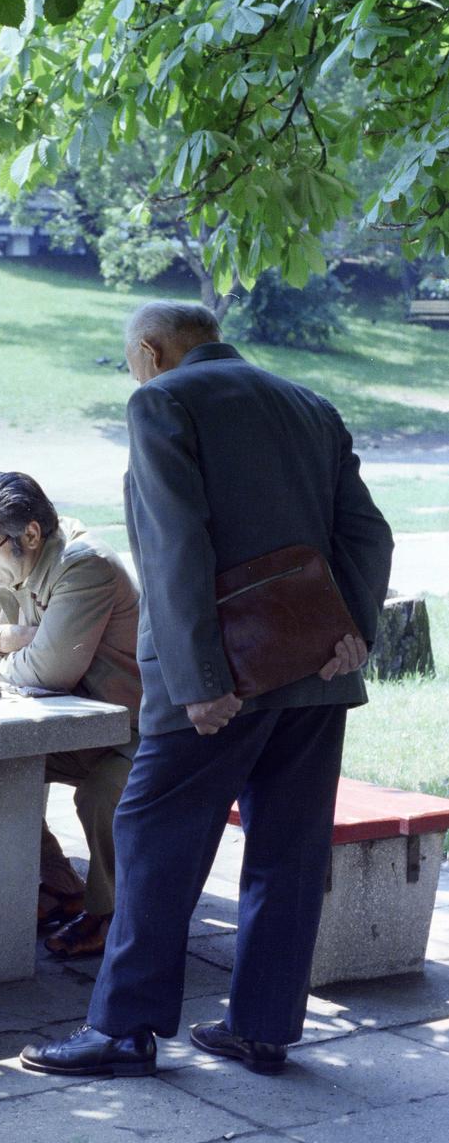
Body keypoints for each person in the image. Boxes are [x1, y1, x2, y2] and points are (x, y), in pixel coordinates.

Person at [20, 301, 393, 1080]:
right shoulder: (309, 403)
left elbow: (173, 543)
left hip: (217, 680)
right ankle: (261, 1029)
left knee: (153, 840)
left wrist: (196, 680)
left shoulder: (162, 401)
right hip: (316, 669)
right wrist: (347, 633)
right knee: (287, 854)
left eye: (130, 360)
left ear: (150, 352)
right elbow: (367, 533)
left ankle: (123, 1031)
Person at [0, 472, 141, 950]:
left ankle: (113, 915)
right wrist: (8, 639)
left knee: (100, 796)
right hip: (76, 732)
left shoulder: (82, 564)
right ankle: (59, 886)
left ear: (30, 534)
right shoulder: (10, 560)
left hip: (136, 735)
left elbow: (47, 672)